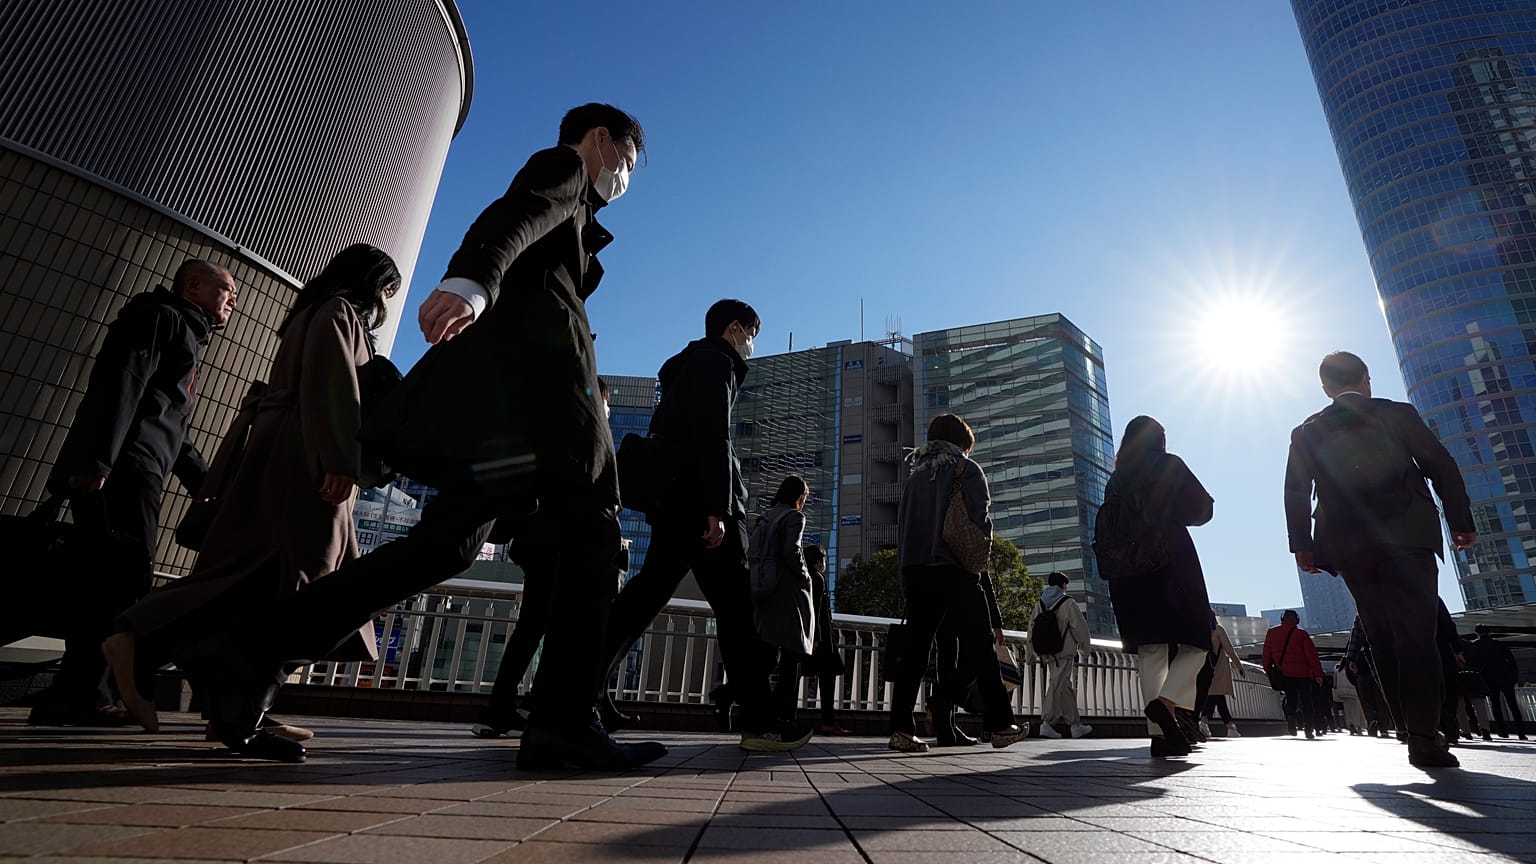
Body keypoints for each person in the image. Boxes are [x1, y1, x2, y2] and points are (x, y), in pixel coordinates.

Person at [169, 104, 667, 769]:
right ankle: (563, 726)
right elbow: (514, 215)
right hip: (547, 409)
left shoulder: (579, 217)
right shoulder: (567, 168)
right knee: (594, 535)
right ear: (602, 140)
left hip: (504, 428)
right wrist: (472, 282)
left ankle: (249, 647)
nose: (627, 179)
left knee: (444, 548)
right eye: (629, 163)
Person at [100, 246, 397, 735]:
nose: (385, 300)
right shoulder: (339, 313)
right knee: (309, 576)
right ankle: (149, 641)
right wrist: (342, 461)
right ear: (371, 283)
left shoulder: (309, 312)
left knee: (254, 572)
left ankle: (227, 700)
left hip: (284, 451)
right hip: (307, 458)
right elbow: (334, 385)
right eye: (386, 289)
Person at [28, 260, 237, 727]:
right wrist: (95, 462)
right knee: (118, 583)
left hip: (135, 466)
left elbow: (172, 426)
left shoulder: (185, 331)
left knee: (108, 582)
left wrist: (206, 486)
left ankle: (74, 695)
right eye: (226, 289)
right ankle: (84, 695)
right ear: (194, 286)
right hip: (121, 469)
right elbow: (122, 383)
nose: (233, 300)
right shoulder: (160, 317)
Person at [597, 299, 812, 753]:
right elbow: (714, 435)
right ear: (735, 328)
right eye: (752, 335)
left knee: (645, 595)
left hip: (676, 501)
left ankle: (571, 693)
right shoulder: (717, 362)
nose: (752, 346)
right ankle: (760, 721)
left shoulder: (686, 367)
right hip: (703, 507)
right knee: (735, 611)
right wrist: (716, 506)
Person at [1285, 351, 1476, 768]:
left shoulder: (1307, 432)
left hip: (1351, 545)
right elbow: (1441, 466)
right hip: (1408, 535)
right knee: (1416, 637)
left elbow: (1297, 491)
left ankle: (1407, 725)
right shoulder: (1397, 414)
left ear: (1326, 388)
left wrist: (1302, 544)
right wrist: (1461, 521)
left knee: (1381, 635)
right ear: (1366, 380)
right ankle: (1424, 736)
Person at [471, 378, 618, 740]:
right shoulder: (584, 436)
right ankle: (536, 706)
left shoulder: (550, 430)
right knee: (560, 626)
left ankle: (501, 707)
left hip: (536, 543)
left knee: (533, 625)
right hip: (562, 545)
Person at [887, 413, 1025, 753]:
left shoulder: (915, 476)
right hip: (955, 570)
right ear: (962, 441)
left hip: (917, 570)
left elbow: (903, 529)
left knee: (916, 651)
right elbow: (979, 520)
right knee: (980, 647)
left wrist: (906, 574)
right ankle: (1000, 724)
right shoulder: (966, 468)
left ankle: (901, 729)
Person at [1100, 416, 1215, 758]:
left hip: (1127, 571)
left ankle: (1160, 735)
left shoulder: (1115, 479)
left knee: (1151, 650)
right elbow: (1201, 510)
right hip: (1170, 559)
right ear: (1159, 439)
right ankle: (1166, 705)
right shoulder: (1168, 464)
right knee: (1197, 641)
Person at [750, 475, 816, 725]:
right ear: (799, 498)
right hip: (788, 593)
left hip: (765, 589)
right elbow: (792, 550)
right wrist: (805, 575)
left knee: (766, 655)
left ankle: (748, 705)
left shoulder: (765, 517)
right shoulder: (794, 517)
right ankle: (784, 715)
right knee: (793, 655)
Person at [1035, 571, 1092, 740]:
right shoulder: (1068, 603)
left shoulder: (1040, 603)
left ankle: (1075, 725)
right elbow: (1080, 628)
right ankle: (1047, 723)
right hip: (1064, 651)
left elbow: (1032, 627)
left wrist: (1031, 652)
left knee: (1064, 685)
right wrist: (1084, 649)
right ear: (1063, 586)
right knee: (1056, 685)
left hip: (1047, 651)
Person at [804, 544, 849, 735]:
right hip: (821, 640)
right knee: (827, 680)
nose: (824, 563)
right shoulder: (818, 579)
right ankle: (828, 721)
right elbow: (818, 610)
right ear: (817, 561)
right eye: (822, 559)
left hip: (813, 636)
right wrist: (817, 638)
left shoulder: (806, 577)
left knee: (796, 674)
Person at [1262, 610, 1323, 739]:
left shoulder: (1272, 632)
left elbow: (1267, 653)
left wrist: (1267, 669)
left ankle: (1291, 723)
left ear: (1282, 619)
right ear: (1297, 620)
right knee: (1307, 701)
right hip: (1303, 674)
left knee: (1291, 699)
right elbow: (1312, 656)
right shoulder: (1302, 634)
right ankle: (1309, 729)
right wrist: (1318, 673)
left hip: (1285, 673)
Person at [1467, 624, 1528, 740]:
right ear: (1489, 632)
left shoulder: (1475, 645)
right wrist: (1514, 677)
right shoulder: (1499, 644)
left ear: (1477, 633)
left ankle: (1503, 731)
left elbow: (1473, 663)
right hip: (1505, 678)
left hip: (1488, 679)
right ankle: (1521, 732)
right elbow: (1511, 661)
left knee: (1495, 705)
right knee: (1513, 705)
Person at [1202, 615, 1245, 737]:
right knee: (1216, 695)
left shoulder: (1200, 630)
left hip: (1204, 668)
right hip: (1219, 669)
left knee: (1216, 696)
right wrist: (1239, 667)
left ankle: (1229, 726)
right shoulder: (1218, 629)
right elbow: (1230, 650)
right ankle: (1205, 722)